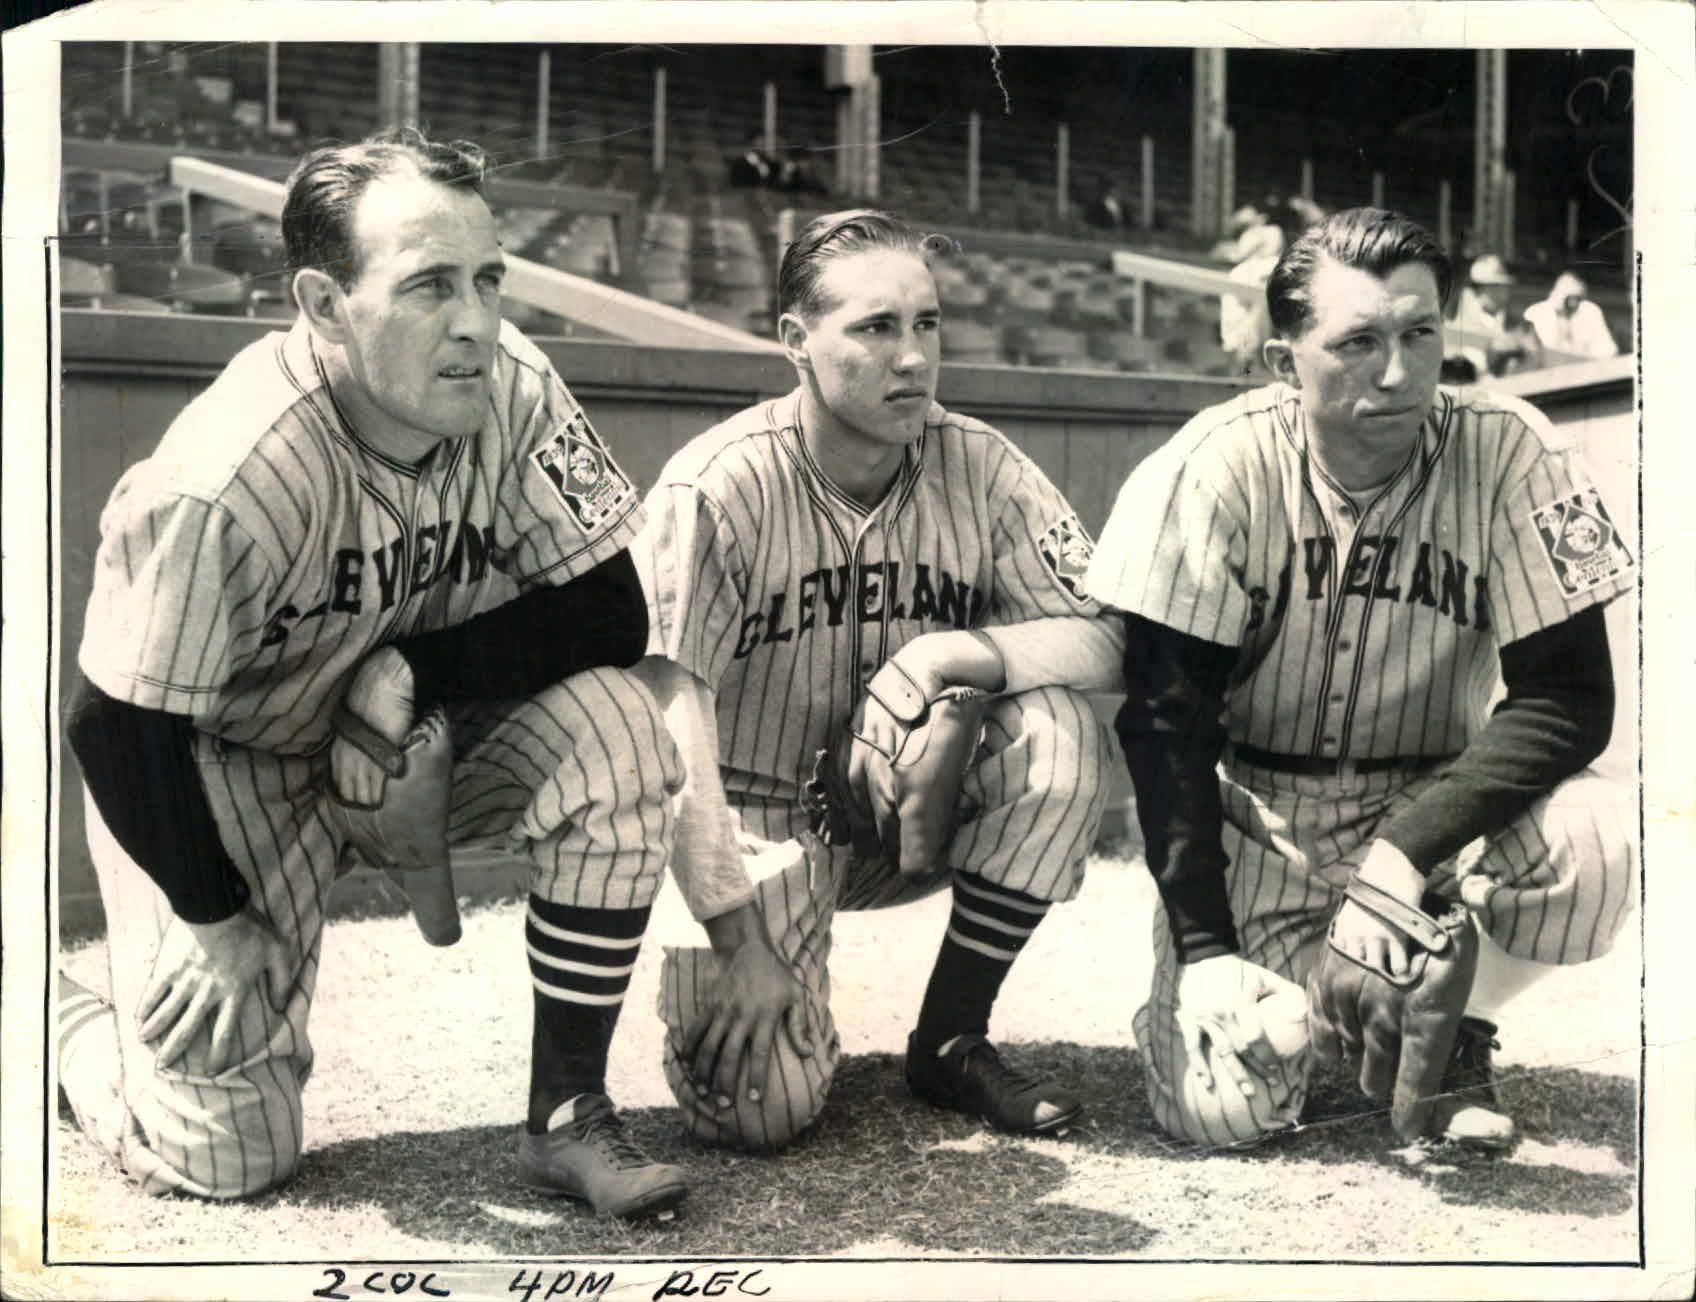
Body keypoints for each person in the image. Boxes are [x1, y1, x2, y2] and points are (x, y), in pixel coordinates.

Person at [57, 128, 691, 1218]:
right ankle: (63, 1020)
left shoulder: (516, 385)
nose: (476, 323)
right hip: (228, 764)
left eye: (488, 280)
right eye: (430, 286)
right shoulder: (225, 474)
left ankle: (565, 1113)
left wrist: (411, 663)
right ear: (321, 300)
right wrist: (215, 922)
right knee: (227, 1159)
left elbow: (612, 608)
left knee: (621, 732)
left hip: (412, 741)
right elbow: (115, 727)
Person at [1084, 206, 1636, 1152]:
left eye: (1421, 333)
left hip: (1436, 808)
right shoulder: (1211, 468)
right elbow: (1167, 726)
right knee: (1226, 1119)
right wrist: (1209, 953)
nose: (1397, 371)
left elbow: (1571, 699)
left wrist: (1402, 854)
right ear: (1281, 361)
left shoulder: (1513, 450)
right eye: (1358, 342)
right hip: (1262, 816)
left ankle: (1453, 1026)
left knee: (1599, 846)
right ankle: (1323, 1009)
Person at [629, 209, 1123, 1150]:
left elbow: (1109, 636)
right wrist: (736, 938)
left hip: (911, 806)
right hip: (755, 817)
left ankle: (949, 1036)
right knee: (761, 1114)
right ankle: (768, 988)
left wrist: (951, 655)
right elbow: (668, 722)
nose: (913, 358)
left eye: (927, 324)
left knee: (1058, 733)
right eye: (876, 327)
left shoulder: (979, 463)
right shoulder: (716, 486)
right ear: (795, 342)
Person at [1447, 252, 1531, 378]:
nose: (1496, 293)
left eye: (1498, 286)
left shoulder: (1520, 324)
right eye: (1480, 288)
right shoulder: (1458, 324)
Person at [1523, 270, 1619, 360]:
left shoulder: (1590, 312)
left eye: (1577, 297)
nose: (1572, 303)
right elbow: (1533, 353)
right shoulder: (1535, 314)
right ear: (1553, 292)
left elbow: (1609, 351)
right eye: (1566, 295)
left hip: (1584, 372)